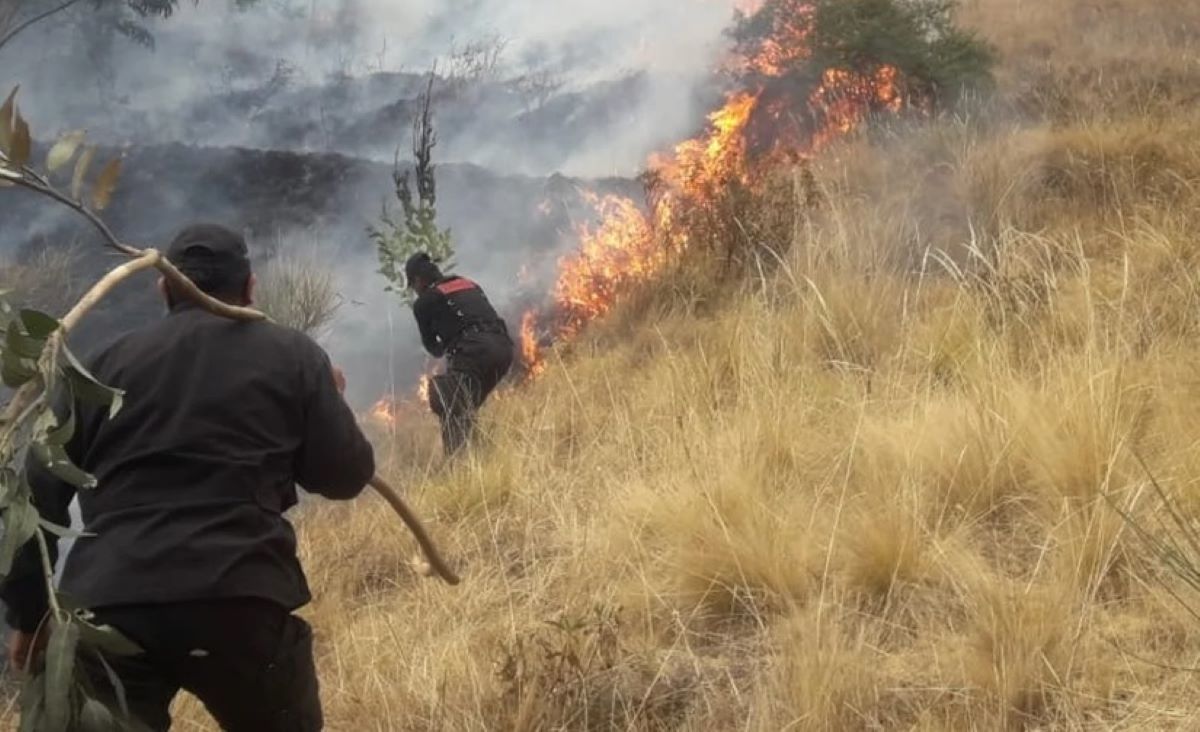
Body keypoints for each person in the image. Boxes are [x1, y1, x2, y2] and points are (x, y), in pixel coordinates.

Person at [0, 224, 375, 731]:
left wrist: (27, 617)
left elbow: (36, 496)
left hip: (112, 600)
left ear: (164, 289)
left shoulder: (99, 367)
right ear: (249, 288)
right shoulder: (294, 355)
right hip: (241, 597)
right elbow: (344, 477)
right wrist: (329, 402)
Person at [406, 253, 514, 455]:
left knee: (445, 395)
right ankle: (480, 455)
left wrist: (447, 343)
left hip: (475, 352)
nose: (415, 290)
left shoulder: (424, 302)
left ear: (418, 280)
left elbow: (433, 347)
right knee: (464, 405)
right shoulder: (468, 283)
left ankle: (460, 462)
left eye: (413, 286)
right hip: (504, 348)